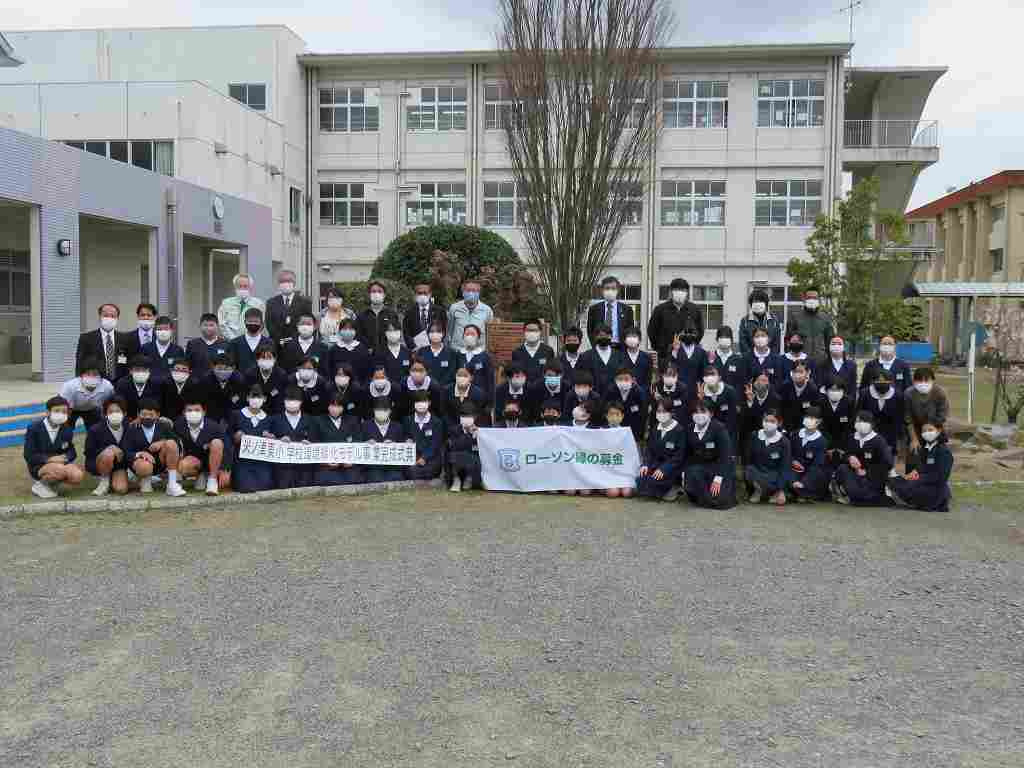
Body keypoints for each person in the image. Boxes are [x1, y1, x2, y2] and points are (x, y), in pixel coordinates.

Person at [124, 398, 186, 496]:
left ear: (157, 415)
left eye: (151, 414)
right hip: (141, 464)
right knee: (144, 466)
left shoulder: (164, 426)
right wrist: (140, 454)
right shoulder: (132, 428)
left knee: (171, 443)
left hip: (159, 463)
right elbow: (126, 451)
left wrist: (162, 443)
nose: (147, 417)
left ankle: (172, 484)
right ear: (138, 414)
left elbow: (177, 443)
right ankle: (143, 480)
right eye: (144, 414)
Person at [25, 396, 84, 499]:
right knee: (60, 469)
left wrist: (66, 457)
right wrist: (49, 459)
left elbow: (71, 450)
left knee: (77, 475)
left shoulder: (67, 429)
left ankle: (52, 484)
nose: (61, 414)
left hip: (60, 463)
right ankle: (40, 484)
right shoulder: (34, 428)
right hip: (39, 465)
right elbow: (29, 455)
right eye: (57, 411)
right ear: (48, 412)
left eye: (64, 412)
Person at [887, 421, 953, 512]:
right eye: (924, 431)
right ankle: (899, 494)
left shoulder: (943, 451)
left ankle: (901, 497)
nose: (927, 433)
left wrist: (919, 478)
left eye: (930, 430)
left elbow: (941, 476)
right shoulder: (926, 449)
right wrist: (915, 472)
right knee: (896, 480)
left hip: (935, 490)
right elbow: (922, 467)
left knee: (907, 487)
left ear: (939, 431)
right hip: (923, 483)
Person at [683, 400, 737, 510]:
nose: (699, 415)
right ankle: (704, 498)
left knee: (722, 501)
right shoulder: (689, 428)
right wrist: (684, 472)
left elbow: (726, 455)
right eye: (696, 412)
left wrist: (718, 478)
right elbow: (687, 453)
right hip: (700, 467)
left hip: (720, 467)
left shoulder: (719, 429)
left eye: (703, 411)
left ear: (711, 414)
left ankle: (704, 499)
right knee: (692, 475)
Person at [831, 411, 893, 507]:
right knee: (842, 468)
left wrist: (867, 472)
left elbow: (888, 463)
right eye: (857, 421)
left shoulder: (879, 441)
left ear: (871, 424)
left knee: (860, 496)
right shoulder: (852, 437)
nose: (860, 424)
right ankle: (847, 492)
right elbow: (845, 455)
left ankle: (863, 497)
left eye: (863, 421)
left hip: (872, 478)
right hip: (854, 474)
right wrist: (850, 458)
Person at [175, 398, 230, 495]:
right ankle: (198, 476)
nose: (193, 413)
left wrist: (225, 469)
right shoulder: (179, 424)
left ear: (204, 412)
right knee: (184, 465)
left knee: (217, 443)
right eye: (189, 410)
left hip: (211, 463)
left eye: (197, 410)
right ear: (184, 413)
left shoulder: (214, 426)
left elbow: (227, 446)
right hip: (193, 461)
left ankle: (212, 481)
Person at [636, 397, 686, 501]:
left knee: (655, 481)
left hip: (671, 468)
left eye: (664, 411)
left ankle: (674, 487)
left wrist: (664, 469)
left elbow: (679, 456)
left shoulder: (679, 430)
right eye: (659, 411)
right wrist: (645, 464)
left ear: (671, 412)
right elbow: (649, 450)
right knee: (640, 479)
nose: (661, 414)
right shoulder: (655, 428)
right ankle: (661, 492)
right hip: (655, 465)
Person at [227, 386, 276, 493]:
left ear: (264, 399)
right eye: (253, 396)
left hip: (261, 462)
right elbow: (228, 436)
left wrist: (271, 438)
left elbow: (274, 441)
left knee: (265, 486)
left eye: (259, 397)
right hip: (241, 461)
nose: (256, 400)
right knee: (245, 487)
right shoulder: (237, 415)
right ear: (248, 398)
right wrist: (235, 437)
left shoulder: (268, 419)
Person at [266, 386, 317, 489]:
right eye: (289, 400)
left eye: (295, 400)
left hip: (304, 469)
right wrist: (277, 440)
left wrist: (310, 443)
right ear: (284, 401)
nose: (292, 403)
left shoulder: (310, 420)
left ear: (301, 402)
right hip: (281, 469)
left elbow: (317, 441)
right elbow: (268, 440)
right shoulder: (274, 420)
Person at [647, 278, 705, 364]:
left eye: (683, 290)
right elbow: (652, 331)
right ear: (671, 292)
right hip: (665, 356)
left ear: (687, 293)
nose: (680, 292)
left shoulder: (695, 310)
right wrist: (661, 348)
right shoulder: (660, 309)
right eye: (677, 289)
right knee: (666, 377)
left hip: (688, 355)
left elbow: (700, 331)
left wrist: (691, 346)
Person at [313, 392, 365, 487]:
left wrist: (352, 461)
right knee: (329, 480)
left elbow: (358, 441)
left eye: (339, 406)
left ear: (343, 407)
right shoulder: (318, 421)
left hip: (349, 465)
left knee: (355, 479)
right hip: (326, 466)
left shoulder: (353, 420)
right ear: (328, 406)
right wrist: (325, 461)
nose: (335, 408)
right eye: (332, 405)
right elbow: (314, 444)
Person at [85, 396, 131, 497]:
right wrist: (109, 448)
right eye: (110, 412)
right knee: (108, 453)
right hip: (100, 462)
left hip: (120, 465)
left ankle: (121, 478)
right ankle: (104, 481)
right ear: (105, 414)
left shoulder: (130, 427)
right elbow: (89, 452)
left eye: (118, 411)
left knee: (121, 489)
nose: (114, 414)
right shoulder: (95, 430)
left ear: (124, 413)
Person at [76, 303, 134, 383]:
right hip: (95, 383)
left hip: (120, 384)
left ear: (117, 318)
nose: (109, 318)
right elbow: (79, 363)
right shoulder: (86, 338)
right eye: (106, 315)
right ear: (99, 317)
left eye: (113, 316)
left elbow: (129, 363)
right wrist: (79, 382)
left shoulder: (125, 338)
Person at [744, 408, 791, 505]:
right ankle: (758, 491)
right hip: (757, 472)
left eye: (772, 421)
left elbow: (785, 466)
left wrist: (781, 490)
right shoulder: (754, 436)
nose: (768, 423)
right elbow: (748, 459)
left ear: (779, 423)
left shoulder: (784, 442)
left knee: (775, 479)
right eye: (766, 420)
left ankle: (776, 492)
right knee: (749, 470)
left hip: (774, 475)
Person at [788, 406, 831, 502]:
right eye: (807, 417)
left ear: (819, 421)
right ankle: (797, 492)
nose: (808, 420)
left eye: (812, 418)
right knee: (786, 475)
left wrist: (803, 482)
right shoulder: (795, 434)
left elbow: (817, 464)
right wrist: (792, 461)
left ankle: (800, 491)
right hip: (793, 469)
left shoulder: (822, 441)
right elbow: (788, 453)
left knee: (817, 475)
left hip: (809, 472)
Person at [858, 370, 905, 458]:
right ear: (873, 381)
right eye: (878, 380)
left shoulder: (898, 395)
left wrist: (898, 435)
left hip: (890, 431)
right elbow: (860, 412)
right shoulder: (865, 393)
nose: (881, 383)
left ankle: (891, 469)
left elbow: (899, 417)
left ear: (891, 381)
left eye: (885, 381)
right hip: (869, 430)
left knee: (888, 454)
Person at [59, 359, 114, 431]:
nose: (91, 377)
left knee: (96, 430)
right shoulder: (69, 386)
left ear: (101, 376)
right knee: (65, 431)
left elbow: (109, 405)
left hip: (92, 408)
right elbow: (64, 409)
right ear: (81, 375)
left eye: (95, 374)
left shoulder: (107, 386)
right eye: (87, 374)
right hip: (71, 409)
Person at [265, 269, 313, 350]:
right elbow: (269, 323)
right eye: (283, 281)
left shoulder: (305, 302)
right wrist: (280, 340)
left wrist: (292, 340)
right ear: (279, 284)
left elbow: (307, 322)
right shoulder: (271, 302)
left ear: (294, 283)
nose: (286, 284)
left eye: (289, 281)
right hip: (277, 345)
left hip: (298, 345)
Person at [904, 367, 950, 451]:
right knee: (914, 452)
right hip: (916, 428)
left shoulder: (940, 393)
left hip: (935, 426)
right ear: (914, 381)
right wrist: (914, 439)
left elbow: (943, 415)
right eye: (919, 380)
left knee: (938, 452)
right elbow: (908, 419)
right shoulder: (908, 394)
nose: (923, 383)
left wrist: (931, 429)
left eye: (926, 380)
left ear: (933, 380)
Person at [363, 396, 407, 483]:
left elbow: (404, 449)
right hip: (373, 468)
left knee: (395, 479)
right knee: (375, 479)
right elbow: (358, 446)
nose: (381, 412)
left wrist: (395, 445)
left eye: (384, 410)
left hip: (393, 467)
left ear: (390, 411)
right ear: (374, 410)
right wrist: (365, 444)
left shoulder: (398, 427)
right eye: (378, 409)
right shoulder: (365, 426)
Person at [786, 288, 834, 366]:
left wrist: (829, 361)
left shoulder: (825, 318)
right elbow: (788, 341)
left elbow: (830, 341)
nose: (812, 300)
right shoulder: (795, 318)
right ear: (804, 299)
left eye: (814, 298)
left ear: (818, 299)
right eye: (809, 297)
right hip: (800, 364)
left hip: (821, 362)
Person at [403, 390, 445, 481]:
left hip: (431, 459)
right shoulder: (407, 420)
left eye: (424, 401)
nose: (421, 404)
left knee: (429, 471)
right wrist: (407, 440)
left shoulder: (437, 422)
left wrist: (424, 458)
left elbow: (435, 444)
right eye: (418, 402)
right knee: (410, 471)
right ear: (414, 404)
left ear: (429, 403)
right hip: (413, 457)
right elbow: (405, 436)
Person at [456, 324, 495, 412]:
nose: (469, 336)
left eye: (472, 334)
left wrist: (490, 402)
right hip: (461, 398)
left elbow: (490, 380)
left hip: (480, 399)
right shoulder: (458, 355)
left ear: (478, 337)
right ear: (463, 337)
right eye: (467, 334)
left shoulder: (485, 356)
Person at [447, 279, 493, 353]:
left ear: (479, 293)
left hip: (478, 351)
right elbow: (450, 329)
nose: (471, 293)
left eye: (474, 291)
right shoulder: (454, 308)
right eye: (468, 290)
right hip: (457, 351)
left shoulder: (487, 310)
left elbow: (489, 333)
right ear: (463, 293)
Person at [587, 276, 635, 347]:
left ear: (618, 290)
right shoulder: (594, 309)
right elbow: (590, 330)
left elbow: (630, 331)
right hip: (600, 346)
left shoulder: (627, 310)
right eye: (607, 288)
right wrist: (595, 346)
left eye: (613, 288)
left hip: (620, 348)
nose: (610, 291)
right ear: (602, 290)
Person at [742, 373, 782, 458]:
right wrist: (750, 402)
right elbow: (745, 420)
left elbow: (775, 420)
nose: (760, 383)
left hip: (768, 431)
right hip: (752, 432)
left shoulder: (776, 399)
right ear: (754, 383)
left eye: (764, 380)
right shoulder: (747, 396)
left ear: (768, 384)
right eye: (758, 380)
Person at [199, 353, 246, 425]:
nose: (223, 371)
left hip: (232, 412)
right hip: (211, 412)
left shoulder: (239, 380)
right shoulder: (205, 380)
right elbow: (204, 402)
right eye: (219, 368)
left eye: (226, 369)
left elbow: (240, 403)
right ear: (212, 367)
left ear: (233, 368)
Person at [356, 280, 401, 355]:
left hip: (387, 354)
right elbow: (358, 335)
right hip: (367, 355)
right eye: (373, 291)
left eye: (379, 291)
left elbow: (397, 334)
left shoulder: (391, 314)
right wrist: (366, 347)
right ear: (369, 294)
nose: (376, 294)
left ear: (384, 294)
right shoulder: (362, 315)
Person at [601, 401, 635, 499]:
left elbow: (631, 454)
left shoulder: (627, 432)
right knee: (613, 493)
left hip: (622, 469)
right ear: (606, 416)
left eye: (617, 414)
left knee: (627, 493)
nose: (614, 417)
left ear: (622, 416)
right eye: (611, 414)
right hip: (606, 470)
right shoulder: (600, 431)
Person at [217, 273, 266, 341]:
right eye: (239, 286)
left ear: (250, 287)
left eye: (245, 286)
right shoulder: (226, 303)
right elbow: (222, 323)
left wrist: (248, 339)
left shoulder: (258, 304)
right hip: (229, 341)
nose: (242, 288)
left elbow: (261, 324)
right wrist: (233, 339)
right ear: (235, 287)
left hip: (250, 341)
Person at [114, 355, 162, 421]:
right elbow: (120, 406)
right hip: (127, 419)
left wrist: (142, 418)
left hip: (149, 418)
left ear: (149, 371)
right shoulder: (122, 384)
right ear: (130, 371)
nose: (141, 373)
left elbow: (157, 405)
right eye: (137, 370)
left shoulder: (156, 384)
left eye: (144, 370)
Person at [446, 402, 482, 492]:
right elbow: (454, 446)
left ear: (475, 417)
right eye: (464, 415)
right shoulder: (453, 430)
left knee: (473, 457)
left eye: (469, 416)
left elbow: (480, 450)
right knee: (454, 455)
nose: (466, 418)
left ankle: (469, 478)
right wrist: (469, 435)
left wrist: (476, 434)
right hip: (458, 462)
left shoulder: (480, 430)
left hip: (473, 463)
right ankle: (456, 480)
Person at [778, 362, 821, 434]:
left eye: (801, 372)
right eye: (795, 371)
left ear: (807, 373)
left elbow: (813, 411)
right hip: (786, 426)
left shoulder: (813, 390)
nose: (797, 375)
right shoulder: (785, 387)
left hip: (804, 427)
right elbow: (781, 408)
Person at [244, 344, 288, 415]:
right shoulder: (250, 374)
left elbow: (281, 399)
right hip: (254, 410)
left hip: (275, 411)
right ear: (257, 359)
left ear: (275, 359)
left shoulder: (282, 375)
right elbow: (246, 395)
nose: (266, 360)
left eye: (269, 357)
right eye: (263, 357)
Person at [140, 315, 185, 384]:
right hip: (150, 389)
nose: (163, 332)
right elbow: (141, 369)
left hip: (171, 389)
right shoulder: (145, 348)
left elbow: (181, 372)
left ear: (172, 331)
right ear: (155, 331)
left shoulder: (178, 350)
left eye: (166, 329)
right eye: (159, 329)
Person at [581, 323, 622, 396]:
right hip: (593, 398)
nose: (603, 337)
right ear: (595, 337)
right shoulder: (586, 356)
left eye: (606, 335)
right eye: (600, 335)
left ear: (611, 336)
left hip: (614, 398)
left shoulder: (619, 356)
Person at [608, 368, 648, 443]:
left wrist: (640, 435)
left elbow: (643, 413)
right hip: (615, 428)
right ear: (615, 380)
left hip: (634, 429)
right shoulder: (610, 390)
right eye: (620, 379)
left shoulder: (639, 392)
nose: (623, 381)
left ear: (633, 380)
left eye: (626, 379)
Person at [403, 283, 446, 351]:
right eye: (420, 293)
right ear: (415, 295)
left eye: (425, 293)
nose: (422, 295)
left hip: (435, 349)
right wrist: (414, 347)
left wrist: (437, 345)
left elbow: (444, 330)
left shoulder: (440, 311)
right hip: (415, 350)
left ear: (430, 294)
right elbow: (406, 333)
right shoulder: (409, 312)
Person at [511, 318, 555, 385]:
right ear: (524, 332)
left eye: (534, 330)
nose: (531, 333)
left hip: (543, 391)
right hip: (523, 391)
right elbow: (515, 376)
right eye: (528, 330)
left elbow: (552, 374)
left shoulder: (548, 351)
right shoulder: (516, 353)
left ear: (540, 332)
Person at [228, 307, 271, 375]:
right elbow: (231, 366)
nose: (253, 324)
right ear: (245, 322)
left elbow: (271, 366)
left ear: (261, 323)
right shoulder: (234, 343)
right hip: (240, 383)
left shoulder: (269, 343)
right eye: (250, 321)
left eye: (256, 321)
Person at [442, 366, 488, 431]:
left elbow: (481, 415)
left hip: (472, 429)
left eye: (465, 376)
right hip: (451, 430)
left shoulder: (479, 394)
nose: (461, 378)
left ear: (471, 378)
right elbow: (444, 413)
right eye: (459, 375)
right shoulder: (446, 391)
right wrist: (455, 429)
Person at [329, 317, 372, 385]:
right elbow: (330, 370)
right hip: (338, 388)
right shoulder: (334, 350)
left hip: (359, 388)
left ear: (355, 331)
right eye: (345, 328)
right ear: (340, 331)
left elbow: (368, 371)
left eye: (351, 329)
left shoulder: (362, 349)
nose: (348, 331)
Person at [738, 289, 782, 355]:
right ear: (751, 304)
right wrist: (751, 358)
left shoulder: (774, 320)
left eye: (760, 301)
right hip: (751, 361)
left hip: (770, 360)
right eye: (755, 301)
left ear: (766, 304)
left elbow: (777, 343)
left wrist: (771, 358)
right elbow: (743, 343)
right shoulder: (745, 321)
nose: (758, 304)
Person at [185, 313, 228, 379]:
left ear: (217, 326)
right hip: (196, 384)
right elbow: (187, 366)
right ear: (200, 326)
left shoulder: (225, 344)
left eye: (211, 325)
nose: (208, 328)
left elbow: (228, 367)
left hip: (217, 384)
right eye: (205, 325)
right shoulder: (192, 344)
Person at [669, 325, 708, 398]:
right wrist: (675, 351)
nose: (688, 335)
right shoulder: (673, 349)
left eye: (691, 333)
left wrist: (701, 389)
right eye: (685, 332)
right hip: (678, 393)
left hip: (695, 392)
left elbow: (703, 374)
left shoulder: (702, 352)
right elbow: (670, 369)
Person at [161, 358, 202, 422]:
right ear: (171, 370)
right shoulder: (165, 383)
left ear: (190, 372)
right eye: (177, 369)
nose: (180, 372)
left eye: (184, 369)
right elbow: (161, 403)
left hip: (188, 419)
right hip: (167, 418)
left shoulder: (195, 385)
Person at [709, 326, 748, 394]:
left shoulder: (739, 360)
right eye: (722, 337)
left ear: (732, 340)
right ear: (717, 339)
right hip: (713, 401)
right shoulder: (710, 357)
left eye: (727, 337)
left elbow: (741, 384)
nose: (724, 339)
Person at [418, 321, 456, 389]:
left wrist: (440, 386)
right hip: (426, 390)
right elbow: (419, 371)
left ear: (443, 334)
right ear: (428, 334)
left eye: (438, 331)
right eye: (432, 331)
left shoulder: (451, 353)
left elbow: (451, 373)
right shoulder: (421, 351)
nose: (435, 334)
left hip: (445, 390)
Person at [821, 379, 855, 452]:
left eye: (838, 389)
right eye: (832, 389)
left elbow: (850, 425)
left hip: (844, 442)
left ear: (843, 391)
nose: (835, 392)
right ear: (826, 391)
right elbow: (821, 426)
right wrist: (830, 446)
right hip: (826, 442)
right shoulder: (820, 403)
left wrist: (841, 446)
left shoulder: (849, 402)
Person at [744, 327, 783, 392]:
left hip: (771, 398)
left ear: (769, 339)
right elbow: (744, 380)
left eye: (763, 336)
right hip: (751, 396)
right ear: (753, 339)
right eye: (757, 336)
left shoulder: (777, 359)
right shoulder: (746, 358)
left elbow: (778, 382)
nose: (760, 339)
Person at [374, 320, 412, 385]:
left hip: (404, 389)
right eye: (390, 331)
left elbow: (410, 373)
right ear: (385, 333)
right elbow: (378, 373)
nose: (393, 333)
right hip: (387, 389)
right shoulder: (379, 352)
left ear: (400, 332)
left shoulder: (407, 352)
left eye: (395, 330)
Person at [651, 363, 688, 430]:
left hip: (676, 413)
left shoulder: (682, 387)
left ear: (677, 376)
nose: (670, 377)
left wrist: (663, 401)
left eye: (672, 375)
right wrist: (656, 399)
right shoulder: (656, 386)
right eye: (667, 375)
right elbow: (653, 404)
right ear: (662, 375)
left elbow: (681, 402)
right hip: (660, 413)